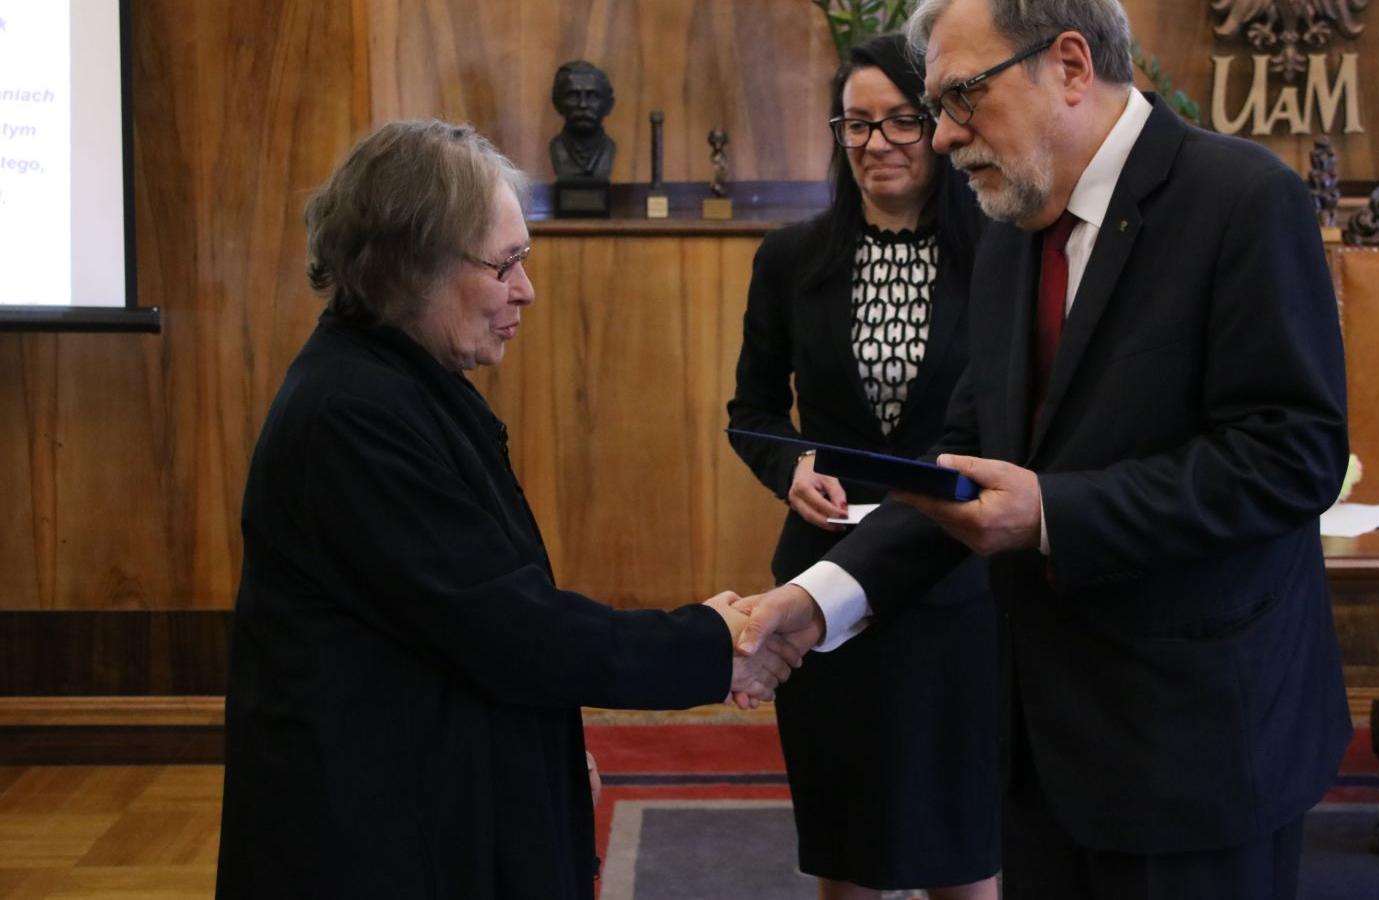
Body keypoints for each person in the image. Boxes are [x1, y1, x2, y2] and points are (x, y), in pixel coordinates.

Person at [734, 0, 1352, 897]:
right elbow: (964, 467)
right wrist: (815, 601)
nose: (941, 137)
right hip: (1035, 751)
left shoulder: (1243, 201)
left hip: (1197, 747)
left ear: (1069, 65)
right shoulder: (1014, 231)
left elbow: (1294, 456)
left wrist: (1055, 513)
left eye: (959, 98)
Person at [215, 119, 797, 900]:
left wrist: (549, 757)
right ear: (410, 266)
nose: (526, 288)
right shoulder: (351, 416)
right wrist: (713, 642)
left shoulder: (403, 381)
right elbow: (506, 625)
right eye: (506, 264)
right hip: (368, 844)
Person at [727, 34, 998, 900]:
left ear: (941, 125)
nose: (876, 143)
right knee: (850, 848)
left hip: (956, 587)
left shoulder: (1001, 254)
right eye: (855, 124)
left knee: (966, 850)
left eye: (900, 122)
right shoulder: (791, 258)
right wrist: (791, 465)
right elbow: (753, 413)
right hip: (822, 577)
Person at [549, 60, 616, 181]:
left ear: (609, 105)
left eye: (593, 96)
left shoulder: (609, 149)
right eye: (573, 96)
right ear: (557, 103)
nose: (583, 104)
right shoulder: (557, 148)